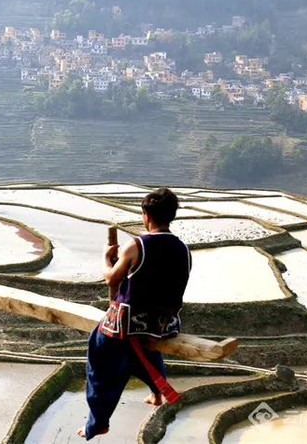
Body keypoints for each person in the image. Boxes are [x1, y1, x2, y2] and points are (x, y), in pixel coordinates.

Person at [78, 187, 191, 440]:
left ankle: (98, 423)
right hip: (164, 324)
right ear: (171, 216)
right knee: (146, 346)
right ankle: (156, 392)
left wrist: (106, 258)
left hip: (130, 322)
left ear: (146, 215)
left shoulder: (136, 245)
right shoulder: (183, 249)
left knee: (99, 355)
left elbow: (111, 279)